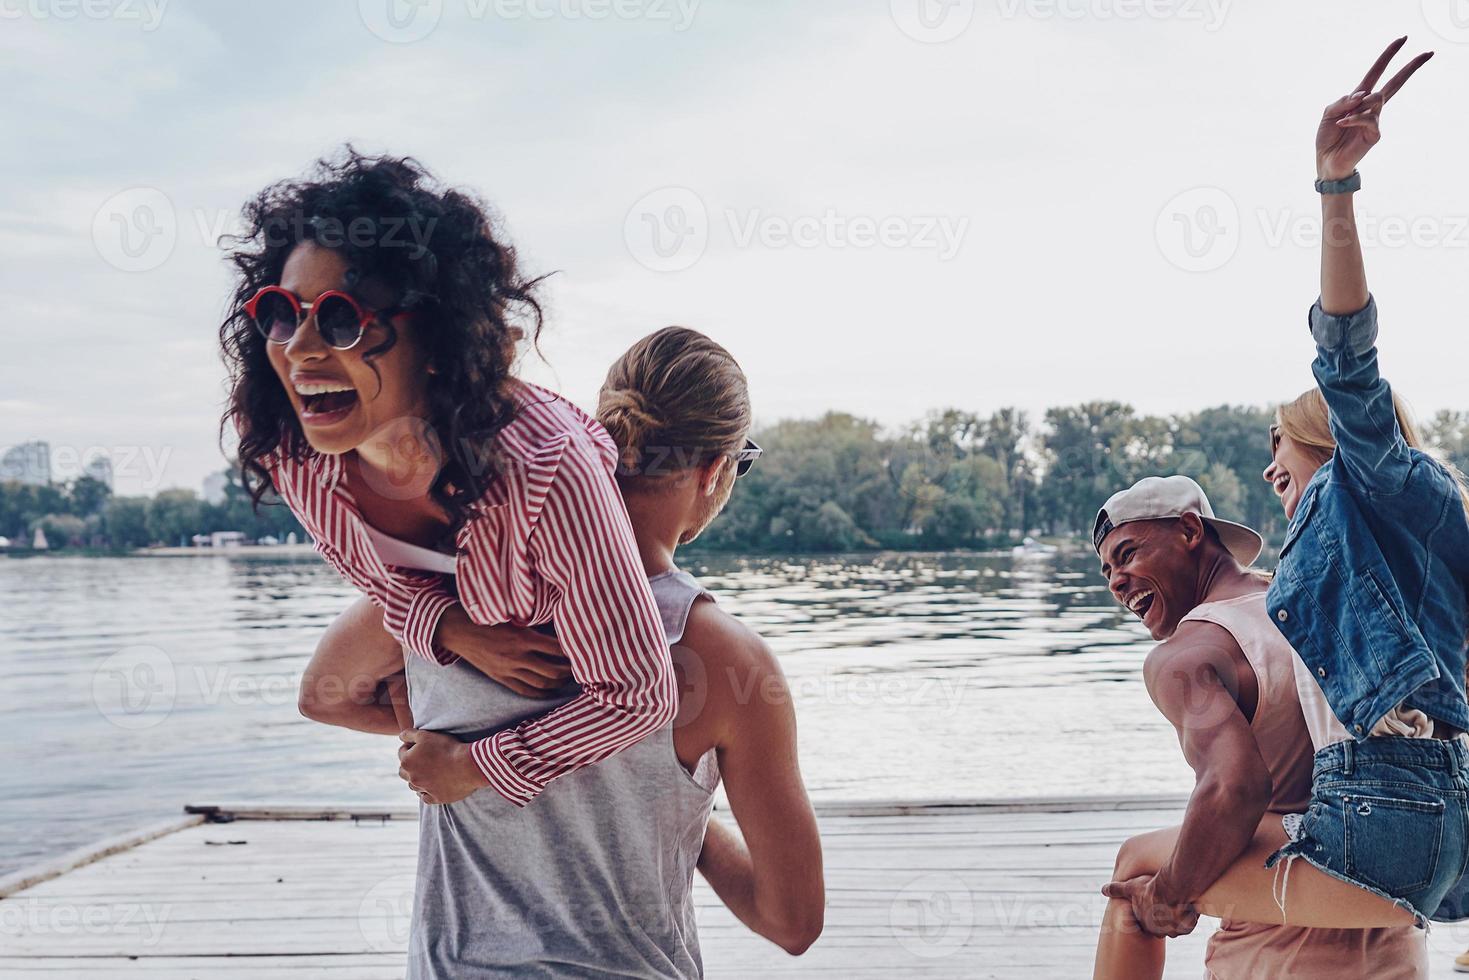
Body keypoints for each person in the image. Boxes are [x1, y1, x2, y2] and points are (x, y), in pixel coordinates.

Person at [1091, 38, 1469, 980]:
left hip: (1387, 818)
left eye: (1276, 446)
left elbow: (1348, 358)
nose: (1267, 471)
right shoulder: (1394, 546)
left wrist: (1333, 188)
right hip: (1440, 819)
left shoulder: (1369, 479)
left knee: (1140, 875)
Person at [304, 327, 824, 976]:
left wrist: (436, 733)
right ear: (715, 469)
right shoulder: (730, 661)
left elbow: (323, 695)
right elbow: (792, 921)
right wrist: (678, 813)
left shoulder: (453, 577)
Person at [221, 148, 677, 810]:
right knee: (320, 696)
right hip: (453, 611)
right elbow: (378, 581)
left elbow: (639, 694)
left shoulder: (546, 472)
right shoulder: (284, 440)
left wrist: (477, 764)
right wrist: (447, 627)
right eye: (282, 313)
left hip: (557, 593)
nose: (299, 349)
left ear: (434, 339)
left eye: (341, 318)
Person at [1089, 476, 1426, 978]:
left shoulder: (1187, 654)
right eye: (1108, 570)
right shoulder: (1322, 601)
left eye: (1128, 553)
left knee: (1135, 872)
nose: (1116, 581)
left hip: (1277, 952)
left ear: (1189, 531)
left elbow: (1235, 787)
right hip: (1396, 934)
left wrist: (1168, 896)